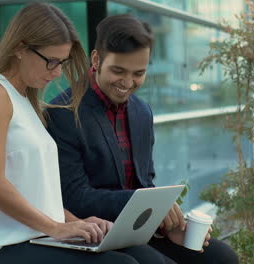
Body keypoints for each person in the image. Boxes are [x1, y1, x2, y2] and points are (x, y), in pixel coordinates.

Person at [0, 3, 171, 264]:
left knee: (146, 259)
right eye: (51, 61)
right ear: (21, 48)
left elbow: (34, 193)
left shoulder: (26, 102)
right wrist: (57, 228)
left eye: (63, 62)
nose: (57, 72)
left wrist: (76, 223)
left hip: (36, 237)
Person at [47, 14, 239, 264]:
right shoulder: (62, 112)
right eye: (118, 71)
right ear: (96, 59)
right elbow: (74, 197)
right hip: (94, 233)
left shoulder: (141, 112)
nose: (127, 83)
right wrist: (139, 202)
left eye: (139, 73)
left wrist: (168, 226)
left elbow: (144, 181)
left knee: (222, 257)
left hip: (139, 229)